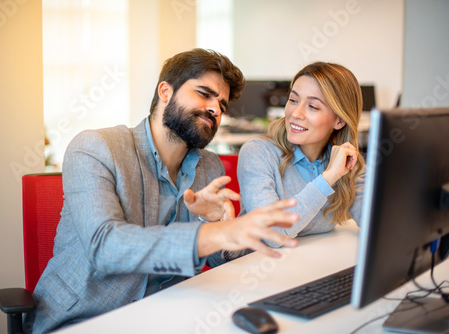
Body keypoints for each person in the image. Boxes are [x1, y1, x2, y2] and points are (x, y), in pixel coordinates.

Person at [24, 49, 300, 334]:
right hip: (86, 318)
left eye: (222, 104)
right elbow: (105, 247)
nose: (215, 109)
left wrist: (216, 222)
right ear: (165, 91)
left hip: (169, 315)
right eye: (204, 93)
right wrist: (215, 234)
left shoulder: (209, 167)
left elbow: (219, 260)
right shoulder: (95, 147)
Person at [237, 62, 365, 247]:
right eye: (293, 100)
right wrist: (328, 177)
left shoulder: (344, 161)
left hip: (307, 266)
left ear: (339, 120)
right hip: (256, 266)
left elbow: (375, 222)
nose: (296, 113)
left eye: (312, 106)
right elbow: (273, 234)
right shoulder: (258, 152)